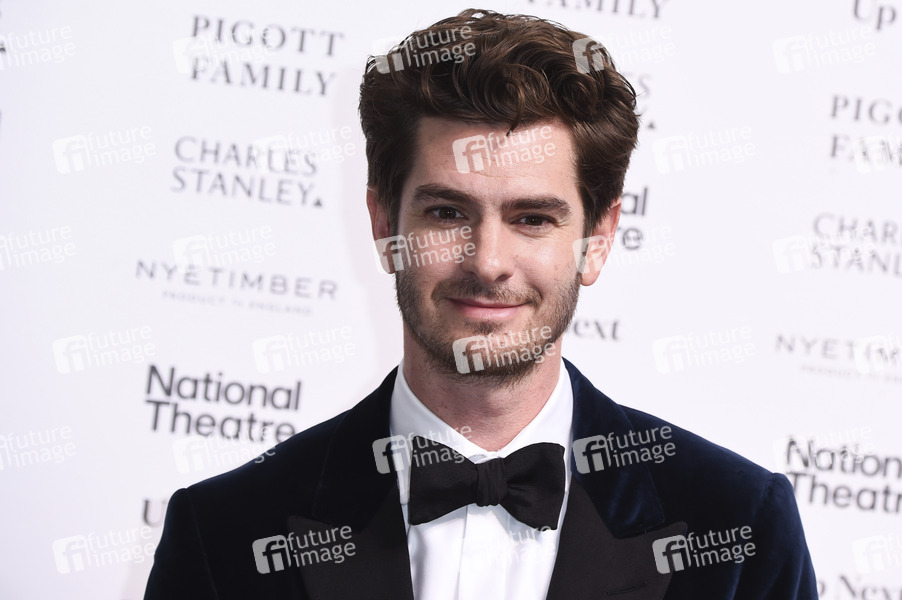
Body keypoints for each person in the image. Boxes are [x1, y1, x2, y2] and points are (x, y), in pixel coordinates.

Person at [145, 9, 817, 599]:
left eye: (532, 218)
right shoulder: (227, 532)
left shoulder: (738, 526)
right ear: (383, 224)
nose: (487, 261)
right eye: (447, 212)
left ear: (598, 240)